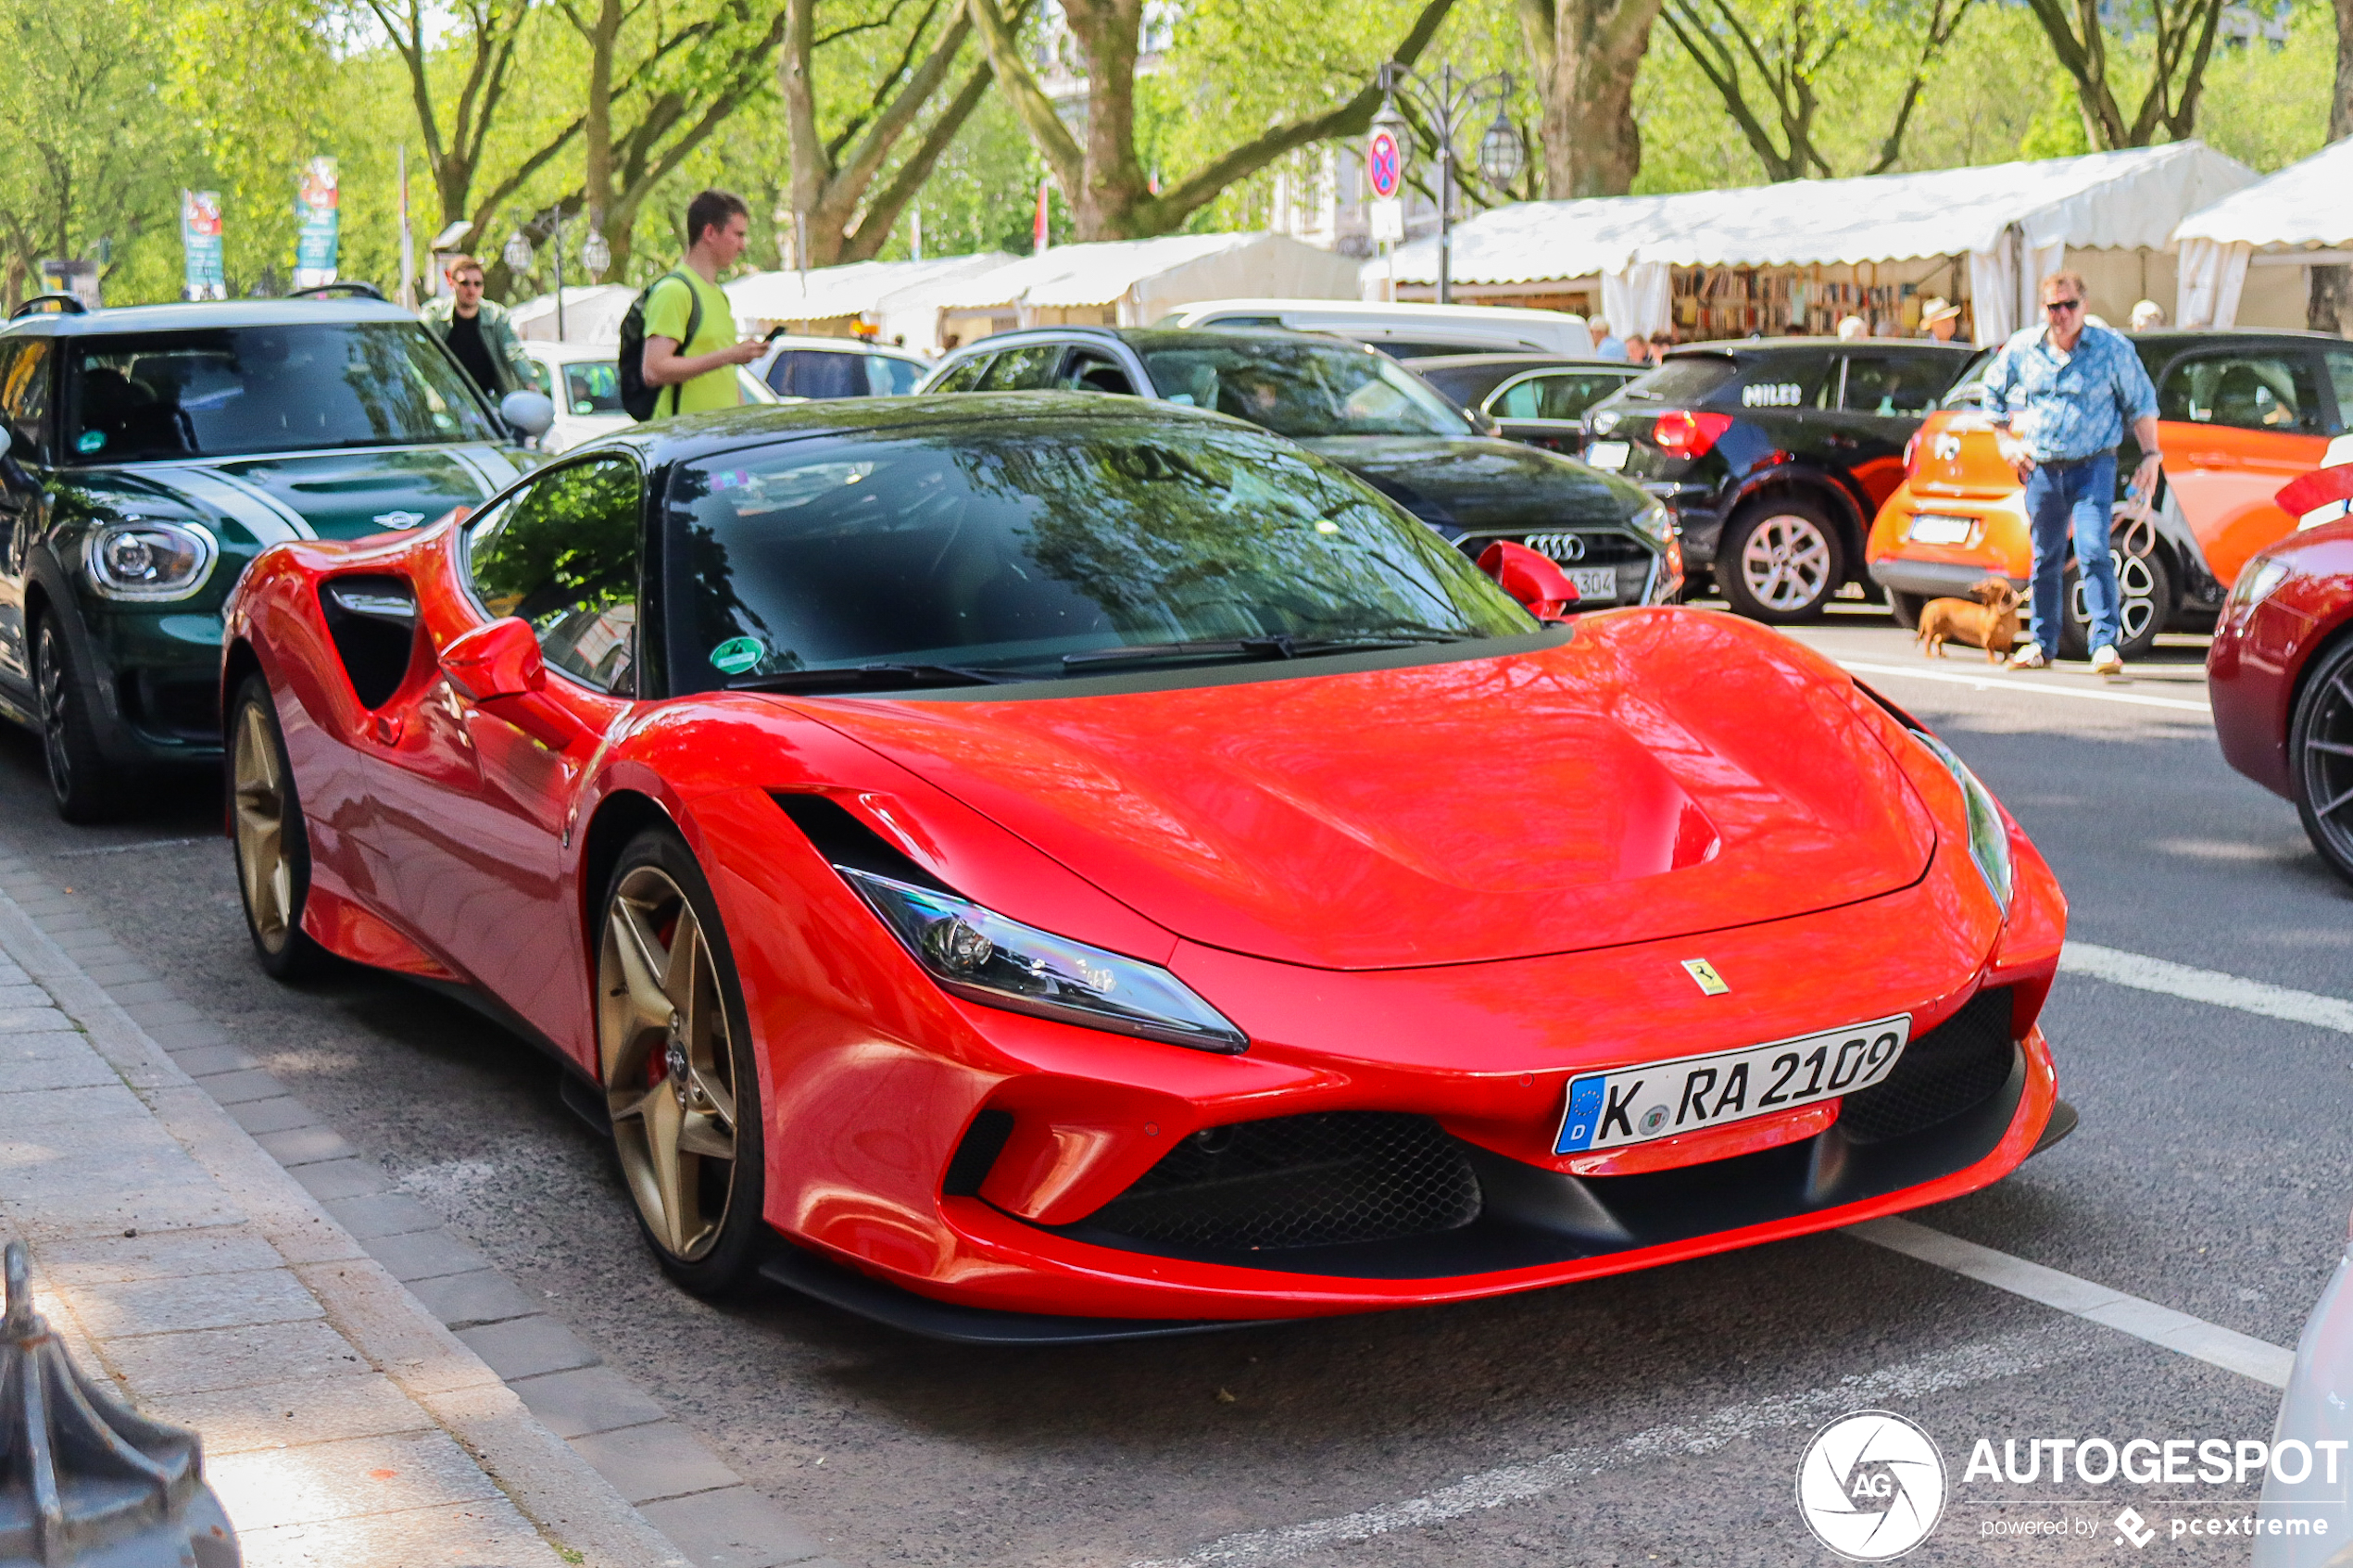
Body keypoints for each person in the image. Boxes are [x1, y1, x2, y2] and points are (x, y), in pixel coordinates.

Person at [1983, 270, 2160, 678]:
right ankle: (2042, 644)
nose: (2061, 314)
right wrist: (2006, 441)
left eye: (2069, 305)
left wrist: (2151, 454)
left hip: (2093, 465)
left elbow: (2141, 401)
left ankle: (2104, 644)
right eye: (2053, 307)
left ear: (2085, 305)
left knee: (2094, 549)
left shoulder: (2111, 348)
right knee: (2045, 557)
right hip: (2043, 467)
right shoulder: (2025, 347)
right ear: (2042, 309)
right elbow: (1991, 390)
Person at [640, 189, 765, 416]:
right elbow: (654, 369)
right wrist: (729, 355)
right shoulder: (674, 291)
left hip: (719, 439)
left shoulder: (719, 295)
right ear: (709, 232)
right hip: (684, 442)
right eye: (737, 235)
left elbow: (725, 376)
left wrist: (744, 421)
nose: (742, 246)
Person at [419, 256, 535, 400]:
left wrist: (532, 385)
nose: (471, 289)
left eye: (477, 284)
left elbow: (514, 352)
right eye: (465, 283)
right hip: (448, 405)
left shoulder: (495, 316)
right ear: (451, 282)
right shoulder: (435, 315)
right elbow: (418, 349)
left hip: (489, 407)